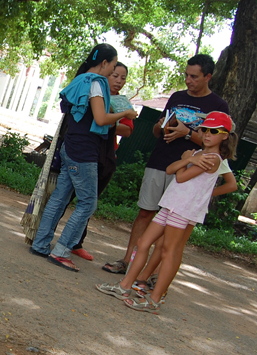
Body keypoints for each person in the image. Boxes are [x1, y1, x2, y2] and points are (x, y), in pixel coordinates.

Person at [96, 112, 239, 313]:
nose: (207, 135)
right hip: (170, 203)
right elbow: (171, 169)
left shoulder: (213, 158)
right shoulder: (197, 154)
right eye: (204, 129)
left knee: (168, 251)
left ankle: (154, 299)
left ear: (225, 135)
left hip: (182, 209)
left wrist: (186, 162)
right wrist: (186, 159)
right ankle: (125, 285)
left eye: (214, 131)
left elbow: (180, 177)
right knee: (144, 243)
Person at [102, 54, 229, 275]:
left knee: (171, 222)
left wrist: (187, 133)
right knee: (145, 213)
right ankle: (128, 261)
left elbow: (216, 145)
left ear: (208, 76)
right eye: (187, 75)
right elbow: (155, 131)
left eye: (194, 77)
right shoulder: (177, 97)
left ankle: (150, 273)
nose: (189, 80)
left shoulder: (218, 106)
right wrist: (160, 127)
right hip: (159, 161)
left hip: (188, 171)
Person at [30, 44, 138, 271]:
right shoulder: (96, 83)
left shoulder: (81, 79)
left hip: (71, 146)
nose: (113, 73)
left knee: (60, 197)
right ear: (105, 63)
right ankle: (61, 252)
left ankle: (40, 244)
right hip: (84, 151)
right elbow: (100, 119)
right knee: (88, 203)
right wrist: (125, 114)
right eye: (113, 67)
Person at [55, 63, 135, 261]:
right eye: (115, 75)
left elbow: (127, 130)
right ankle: (50, 239)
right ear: (106, 73)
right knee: (65, 197)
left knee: (89, 202)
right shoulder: (94, 92)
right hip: (83, 152)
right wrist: (107, 118)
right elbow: (97, 120)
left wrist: (111, 120)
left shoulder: (122, 103)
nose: (118, 80)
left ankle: (74, 243)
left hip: (105, 156)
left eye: (123, 78)